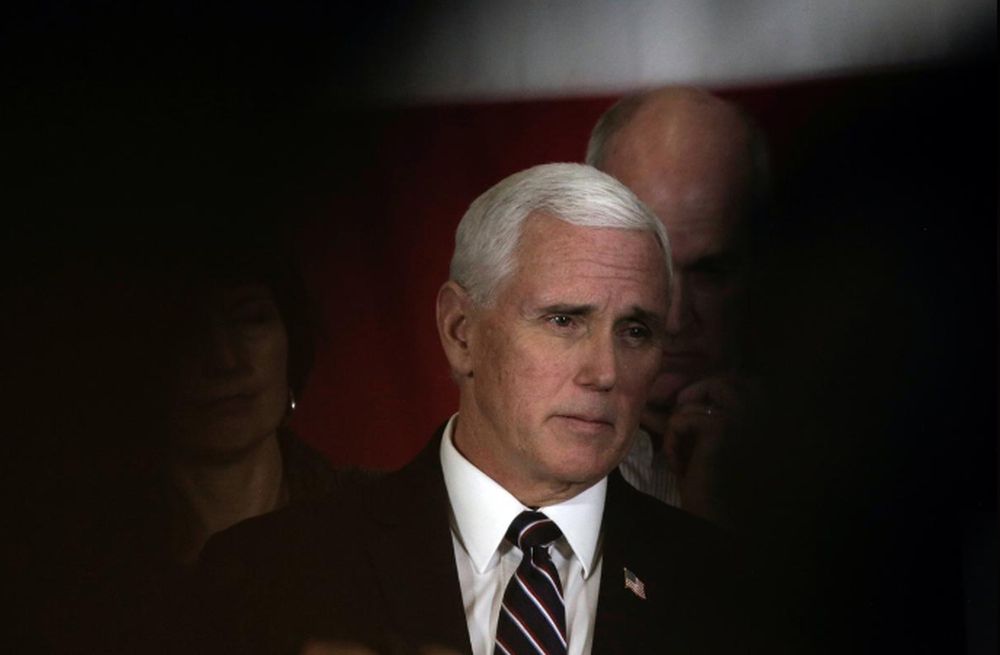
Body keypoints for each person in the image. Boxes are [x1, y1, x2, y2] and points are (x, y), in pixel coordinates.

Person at [199, 163, 749, 654]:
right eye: (563, 320)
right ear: (461, 333)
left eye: (635, 331)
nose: (605, 372)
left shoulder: (737, 591)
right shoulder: (268, 575)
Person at [586, 87, 768, 524]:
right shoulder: (516, 452)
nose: (672, 318)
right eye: (649, 266)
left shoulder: (853, 461)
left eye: (712, 273)